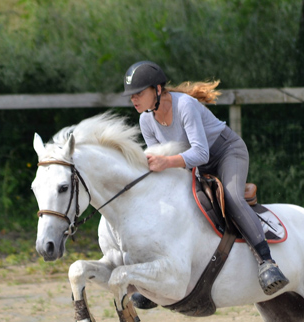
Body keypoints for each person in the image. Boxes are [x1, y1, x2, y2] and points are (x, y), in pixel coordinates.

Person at [122, 60, 289, 296]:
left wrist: (167, 162)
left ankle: (267, 262)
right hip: (193, 165)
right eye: (131, 96)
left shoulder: (185, 106)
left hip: (226, 152)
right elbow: (164, 160)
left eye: (138, 93)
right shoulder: (145, 120)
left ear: (157, 90)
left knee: (231, 197)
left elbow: (201, 153)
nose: (133, 100)